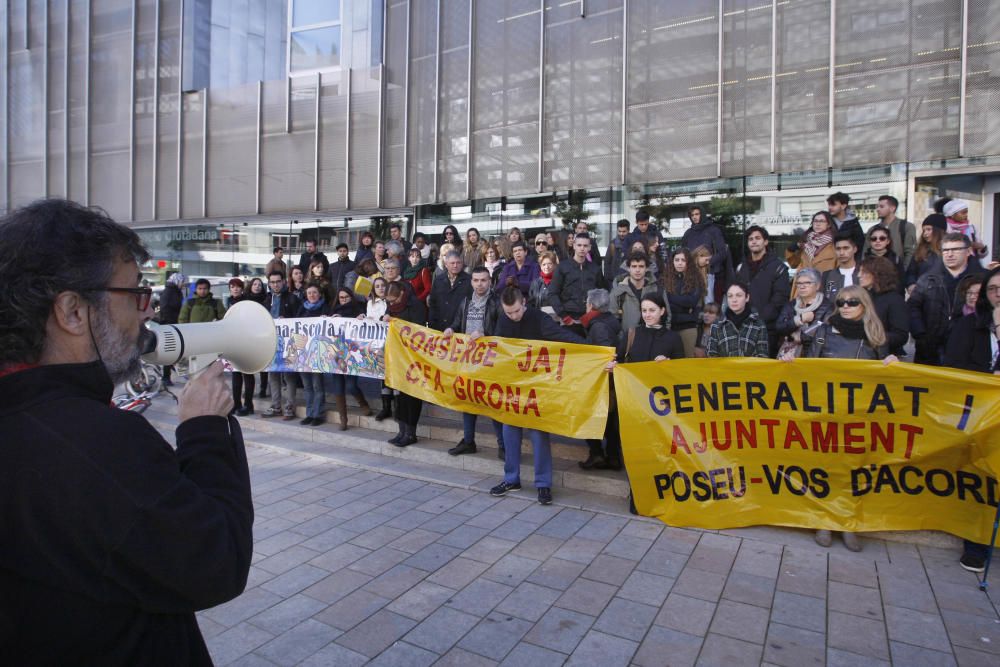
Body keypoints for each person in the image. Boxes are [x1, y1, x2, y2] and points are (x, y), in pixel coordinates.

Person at [0, 199, 252, 664]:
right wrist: (205, 432)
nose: (146, 312)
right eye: (135, 293)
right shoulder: (101, 442)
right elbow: (217, 562)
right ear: (73, 312)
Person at [793, 285, 898, 552]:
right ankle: (824, 520)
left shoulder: (876, 336)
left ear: (864, 304)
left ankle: (848, 523)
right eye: (840, 302)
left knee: (855, 470)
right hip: (828, 412)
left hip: (860, 414)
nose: (846, 307)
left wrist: (891, 363)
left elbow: (886, 377)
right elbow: (809, 371)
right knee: (826, 467)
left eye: (852, 302)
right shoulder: (823, 333)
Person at [489, 286, 584, 506]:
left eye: (516, 311)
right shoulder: (503, 320)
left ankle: (543, 484)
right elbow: (496, 346)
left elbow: (565, 338)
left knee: (539, 435)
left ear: (524, 303)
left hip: (537, 389)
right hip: (512, 388)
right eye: (508, 312)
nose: (513, 316)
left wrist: (597, 352)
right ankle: (511, 478)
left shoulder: (539, 319)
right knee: (509, 431)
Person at [943, 266, 1000, 573]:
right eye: (993, 289)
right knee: (980, 477)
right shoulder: (969, 327)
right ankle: (975, 544)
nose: (999, 294)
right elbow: (954, 366)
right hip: (979, 413)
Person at [605, 292, 684, 512]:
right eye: (644, 310)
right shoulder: (633, 333)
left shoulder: (672, 338)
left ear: (662, 311)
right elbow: (619, 358)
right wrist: (613, 365)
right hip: (633, 403)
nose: (648, 314)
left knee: (659, 450)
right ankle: (637, 494)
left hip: (660, 407)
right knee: (635, 450)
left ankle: (660, 493)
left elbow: (682, 372)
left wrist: (668, 364)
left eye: (652, 310)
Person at [443, 266, 504, 458]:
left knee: (493, 403)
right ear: (471, 282)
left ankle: (503, 445)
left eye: (484, 280)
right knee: (467, 401)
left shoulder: (497, 302)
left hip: (490, 361)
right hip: (468, 361)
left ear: (490, 282)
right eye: (476, 280)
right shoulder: (465, 302)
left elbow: (503, 331)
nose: (480, 284)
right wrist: (451, 330)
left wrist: (485, 335)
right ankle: (468, 441)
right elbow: (456, 322)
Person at [909, 233, 987, 365]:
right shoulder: (928, 278)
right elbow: (913, 306)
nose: (949, 254)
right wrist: (920, 333)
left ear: (968, 251)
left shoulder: (984, 279)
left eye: (956, 249)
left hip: (970, 347)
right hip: (930, 349)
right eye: (945, 250)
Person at [579, 289, 623, 471]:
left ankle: (597, 454)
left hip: (602, 380)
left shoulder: (598, 326)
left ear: (591, 305)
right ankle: (612, 456)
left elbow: (605, 352)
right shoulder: (611, 321)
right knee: (611, 418)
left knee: (592, 415)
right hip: (611, 381)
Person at [734, 226, 791, 357]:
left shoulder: (778, 267)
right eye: (750, 239)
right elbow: (734, 295)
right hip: (742, 328)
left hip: (767, 330)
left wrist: (758, 320)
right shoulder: (741, 267)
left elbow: (780, 299)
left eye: (757, 238)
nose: (754, 241)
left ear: (765, 242)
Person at [384, 281, 427, 447]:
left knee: (412, 396)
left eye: (393, 300)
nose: (391, 304)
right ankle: (401, 430)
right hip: (397, 356)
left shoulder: (415, 305)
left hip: (412, 357)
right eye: (388, 302)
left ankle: (411, 432)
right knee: (399, 395)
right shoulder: (391, 306)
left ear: (402, 293)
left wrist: (394, 321)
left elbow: (418, 328)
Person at [326, 287, 370, 430]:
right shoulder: (333, 312)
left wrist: (359, 318)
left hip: (351, 354)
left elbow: (364, 323)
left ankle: (363, 403)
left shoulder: (358, 310)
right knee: (338, 387)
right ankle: (343, 419)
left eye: (346, 297)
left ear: (351, 297)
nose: (343, 300)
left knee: (351, 385)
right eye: (341, 297)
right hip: (336, 354)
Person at [549, 233, 609, 335]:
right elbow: (552, 293)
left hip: (591, 320)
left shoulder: (595, 269)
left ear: (589, 247)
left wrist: (595, 314)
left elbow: (603, 293)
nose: (582, 248)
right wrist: (563, 315)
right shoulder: (562, 267)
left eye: (585, 246)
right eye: (579, 245)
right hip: (568, 318)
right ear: (574, 245)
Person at [261, 271, 300, 420]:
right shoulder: (266, 300)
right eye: (273, 282)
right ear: (269, 284)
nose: (275, 284)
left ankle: (290, 407)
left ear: (283, 282)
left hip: (289, 343)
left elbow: (300, 319)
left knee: (289, 375)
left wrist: (287, 320)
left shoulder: (292, 298)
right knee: (273, 375)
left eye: (278, 281)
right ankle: (276, 406)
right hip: (271, 342)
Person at [296, 285, 333, 426]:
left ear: (319, 294)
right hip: (303, 353)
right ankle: (309, 414)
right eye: (309, 293)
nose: (312, 295)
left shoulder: (326, 308)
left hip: (317, 354)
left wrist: (327, 319)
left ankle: (318, 414)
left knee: (317, 385)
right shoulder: (302, 308)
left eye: (314, 292)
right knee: (307, 386)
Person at [859, 256, 909, 358]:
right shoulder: (863, 297)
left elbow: (900, 336)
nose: (859, 275)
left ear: (877, 274)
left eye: (864, 272)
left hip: (887, 358)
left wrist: (873, 337)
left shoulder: (895, 300)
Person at [610, 252, 671, 336]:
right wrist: (622, 340)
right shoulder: (617, 292)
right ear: (628, 268)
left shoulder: (657, 289)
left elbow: (667, 316)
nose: (637, 270)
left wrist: (662, 337)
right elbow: (612, 320)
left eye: (641, 266)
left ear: (646, 268)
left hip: (655, 340)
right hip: (627, 341)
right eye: (634, 266)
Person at [775, 268, 832, 359]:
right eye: (799, 283)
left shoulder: (827, 306)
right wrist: (799, 320)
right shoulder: (791, 305)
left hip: (815, 353)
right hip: (788, 354)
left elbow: (825, 332)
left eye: (807, 283)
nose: (802, 286)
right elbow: (779, 327)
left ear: (817, 286)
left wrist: (797, 336)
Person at [360, 277, 394, 422]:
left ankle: (398, 407)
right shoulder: (370, 303)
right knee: (382, 375)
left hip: (392, 342)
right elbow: (370, 320)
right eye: (377, 286)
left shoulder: (392, 301)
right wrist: (364, 318)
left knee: (394, 374)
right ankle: (386, 408)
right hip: (379, 343)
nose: (380, 288)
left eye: (382, 286)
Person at [706, 281, 770, 358]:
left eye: (739, 295)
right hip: (724, 369)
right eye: (730, 296)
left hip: (750, 369)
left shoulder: (759, 324)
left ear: (747, 298)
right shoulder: (717, 325)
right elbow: (711, 355)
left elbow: (762, 356)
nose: (734, 300)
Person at [680, 205, 729, 302]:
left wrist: (707, 261)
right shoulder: (688, 234)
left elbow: (722, 252)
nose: (694, 217)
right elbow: (683, 254)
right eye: (692, 215)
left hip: (711, 274)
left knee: (709, 304)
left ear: (702, 214)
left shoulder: (713, 230)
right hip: (692, 274)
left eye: (697, 214)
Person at [662, 248, 705, 357]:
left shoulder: (696, 279)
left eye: (683, 260)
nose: (679, 263)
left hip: (688, 327)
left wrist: (670, 297)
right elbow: (663, 302)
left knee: (687, 362)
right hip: (669, 327)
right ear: (672, 261)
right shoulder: (665, 279)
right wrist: (684, 307)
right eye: (677, 260)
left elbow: (691, 302)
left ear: (688, 262)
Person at [225, 280, 257, 416]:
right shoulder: (228, 301)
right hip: (233, 340)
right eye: (233, 287)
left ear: (242, 289)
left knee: (247, 373)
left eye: (238, 287)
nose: (235, 289)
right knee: (235, 374)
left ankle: (248, 404)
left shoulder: (248, 301)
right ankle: (236, 403)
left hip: (247, 340)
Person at [863, 195, 916, 269]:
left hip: (898, 272)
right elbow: (865, 252)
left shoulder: (906, 226)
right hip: (874, 272)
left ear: (892, 208)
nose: (878, 209)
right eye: (877, 207)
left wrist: (903, 271)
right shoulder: (872, 230)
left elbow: (910, 252)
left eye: (881, 207)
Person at [427, 251, 471, 331]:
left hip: (460, 328)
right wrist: (431, 324)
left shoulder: (469, 280)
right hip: (439, 327)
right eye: (452, 263)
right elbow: (433, 303)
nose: (455, 265)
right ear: (446, 264)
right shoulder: (438, 280)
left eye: (458, 263)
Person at [157, 272, 185, 386]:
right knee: (170, 351)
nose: (183, 284)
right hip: (170, 325)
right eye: (182, 282)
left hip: (174, 324)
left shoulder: (175, 291)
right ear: (177, 281)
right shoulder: (169, 292)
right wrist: (171, 322)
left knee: (175, 351)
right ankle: (165, 377)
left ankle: (171, 370)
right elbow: (164, 309)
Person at [907, 214, 945, 290]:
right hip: (922, 293)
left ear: (938, 230)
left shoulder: (950, 249)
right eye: (923, 230)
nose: (925, 234)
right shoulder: (920, 250)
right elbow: (911, 272)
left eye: (928, 229)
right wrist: (911, 284)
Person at [863, 224, 905, 293]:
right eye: (874, 239)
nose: (878, 241)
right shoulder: (864, 259)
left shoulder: (895, 259)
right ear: (870, 241)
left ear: (888, 241)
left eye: (882, 238)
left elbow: (901, 283)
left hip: (891, 296)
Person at [821, 232, 860, 302]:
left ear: (855, 249)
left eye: (846, 248)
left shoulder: (864, 274)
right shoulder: (827, 275)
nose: (841, 252)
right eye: (838, 249)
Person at [797, 211, 837, 278]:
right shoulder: (806, 243)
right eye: (815, 221)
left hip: (826, 284)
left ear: (829, 224)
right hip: (804, 284)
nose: (817, 224)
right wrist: (791, 250)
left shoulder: (835, 244)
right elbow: (793, 264)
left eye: (821, 221)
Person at [827, 191, 864, 259]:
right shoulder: (827, 220)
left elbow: (860, 244)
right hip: (829, 259)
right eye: (829, 205)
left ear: (843, 206)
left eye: (833, 205)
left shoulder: (854, 223)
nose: (830, 207)